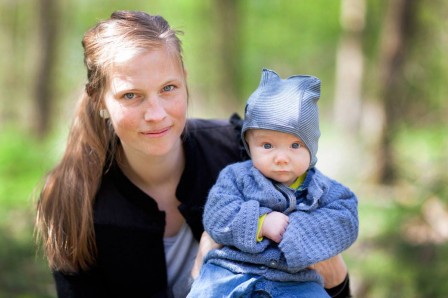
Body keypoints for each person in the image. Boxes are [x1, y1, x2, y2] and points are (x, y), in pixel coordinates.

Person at [34, 10, 353, 298]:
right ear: (99, 101)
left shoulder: (241, 151)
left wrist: (334, 276)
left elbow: (331, 277)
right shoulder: (71, 198)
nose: (156, 113)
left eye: (168, 88)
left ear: (186, 81)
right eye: (131, 95)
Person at [188, 69, 359, 298]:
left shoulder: (322, 188)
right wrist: (260, 222)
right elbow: (216, 214)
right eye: (267, 146)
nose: (281, 157)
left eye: (295, 146)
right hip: (230, 272)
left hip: (296, 281)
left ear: (312, 148)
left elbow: (345, 219)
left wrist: (297, 231)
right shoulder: (236, 177)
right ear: (249, 145)